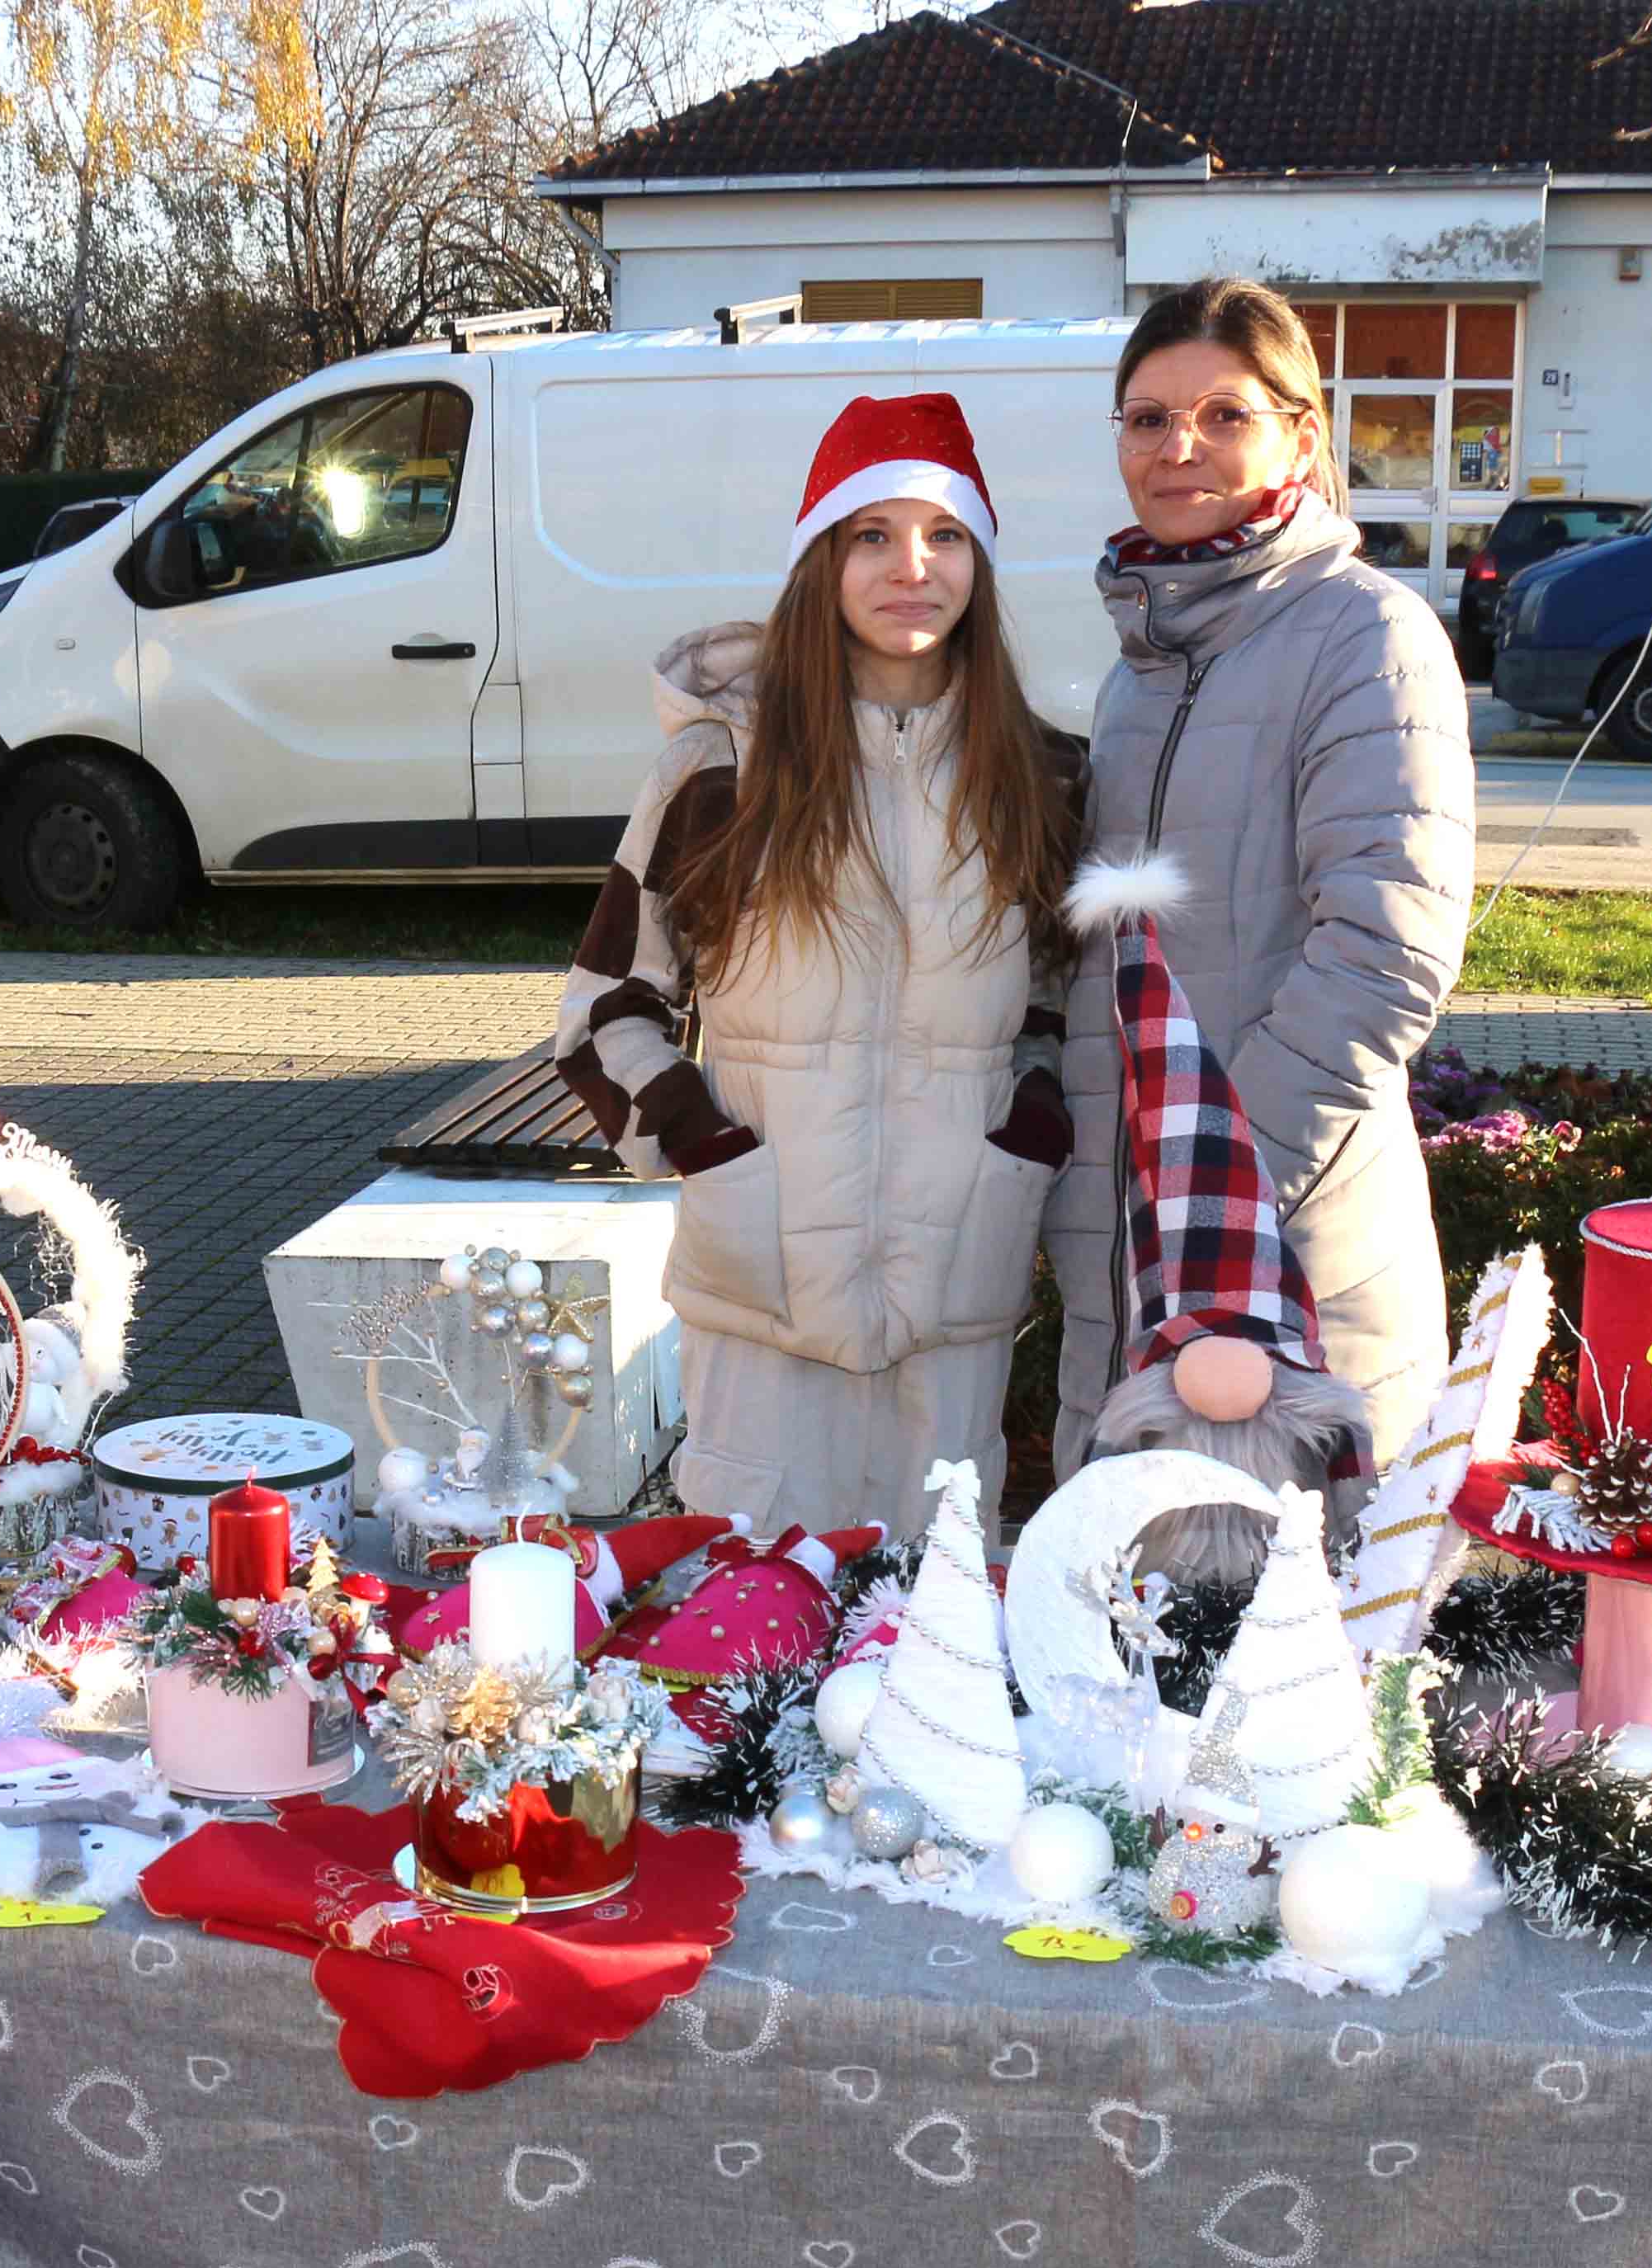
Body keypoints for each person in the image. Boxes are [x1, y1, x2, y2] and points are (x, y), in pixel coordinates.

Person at [552, 393, 1077, 1536]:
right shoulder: (722, 767)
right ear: (822, 561)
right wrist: (709, 1147)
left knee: (935, 1622)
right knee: (749, 1615)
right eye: (872, 535)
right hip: (762, 1288)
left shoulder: (1036, 775)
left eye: (944, 535)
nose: (913, 566)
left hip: (958, 1282)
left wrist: (1025, 1135)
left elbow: (1058, 1003)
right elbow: (605, 1009)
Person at [1044, 278, 1474, 1488]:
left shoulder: (1366, 635)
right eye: (1146, 418)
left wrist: (1219, 1188)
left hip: (1286, 1249)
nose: (1178, 448)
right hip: (1132, 1252)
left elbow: (1385, 958)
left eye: (1223, 414)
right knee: (1134, 1629)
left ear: (1301, 433)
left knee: (1296, 1639)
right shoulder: (1142, 664)